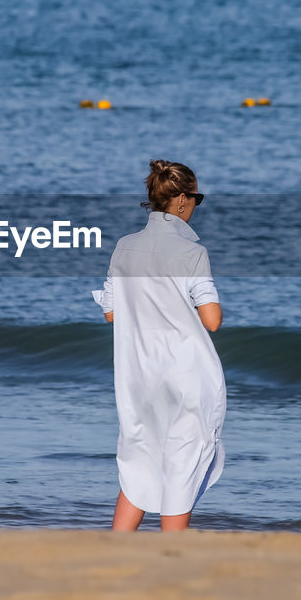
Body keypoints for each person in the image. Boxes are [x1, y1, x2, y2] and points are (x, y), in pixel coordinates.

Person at [92, 159, 226, 532]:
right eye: (197, 197)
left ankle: (116, 549)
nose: (196, 205)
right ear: (182, 199)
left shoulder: (125, 247)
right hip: (184, 373)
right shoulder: (192, 252)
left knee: (140, 459)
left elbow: (111, 313)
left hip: (138, 375)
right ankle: (172, 553)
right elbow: (211, 320)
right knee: (182, 464)